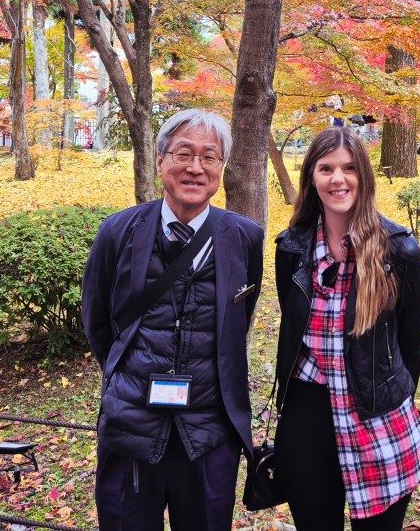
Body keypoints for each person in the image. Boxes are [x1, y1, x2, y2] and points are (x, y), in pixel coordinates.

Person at [82, 109, 264, 531]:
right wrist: (128, 373)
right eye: (183, 153)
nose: (195, 167)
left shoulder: (244, 237)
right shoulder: (119, 231)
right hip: (131, 424)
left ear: (221, 167)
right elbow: (98, 321)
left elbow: (237, 321)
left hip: (208, 430)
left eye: (209, 156)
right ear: (161, 159)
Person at [272, 126, 420, 531]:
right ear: (311, 177)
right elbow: (293, 328)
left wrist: (389, 396)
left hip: (378, 416)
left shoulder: (399, 250)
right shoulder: (292, 248)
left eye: (349, 168)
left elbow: (409, 345)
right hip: (307, 416)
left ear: (364, 175)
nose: (337, 179)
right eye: (326, 168)